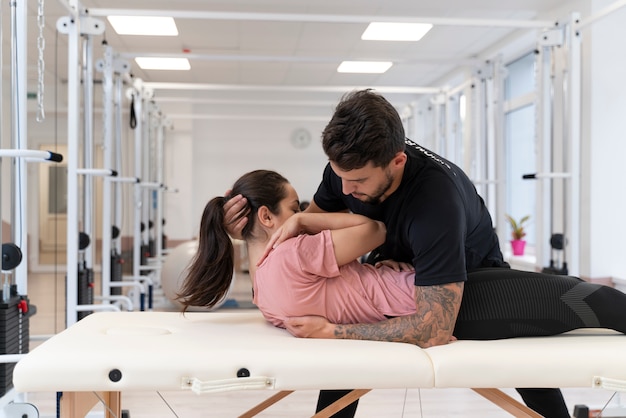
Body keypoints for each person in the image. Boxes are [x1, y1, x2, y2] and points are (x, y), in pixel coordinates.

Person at [220, 90, 576, 418]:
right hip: (394, 261)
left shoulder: (436, 203)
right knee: (346, 364)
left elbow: (433, 328)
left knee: (522, 362)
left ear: (397, 161)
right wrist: (252, 233)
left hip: (467, 269)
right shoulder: (345, 169)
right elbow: (308, 229)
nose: (345, 189)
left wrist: (335, 331)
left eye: (357, 181)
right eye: (339, 176)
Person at [193, 169, 626, 418]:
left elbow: (341, 296)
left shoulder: (264, 293)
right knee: (593, 301)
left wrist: (373, 272)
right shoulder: (296, 251)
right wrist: (305, 225)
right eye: (295, 207)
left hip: (418, 295)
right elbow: (374, 229)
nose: (306, 213)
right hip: (453, 305)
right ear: (268, 217)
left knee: (553, 325)